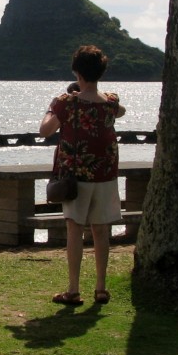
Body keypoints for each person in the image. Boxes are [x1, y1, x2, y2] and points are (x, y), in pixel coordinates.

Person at [39, 45, 125, 307]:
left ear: (76, 71)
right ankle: (101, 287)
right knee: (101, 230)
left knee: (75, 228)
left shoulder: (66, 103)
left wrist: (51, 108)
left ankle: (74, 289)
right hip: (106, 172)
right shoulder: (110, 102)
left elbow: (45, 130)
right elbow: (120, 111)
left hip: (76, 175)